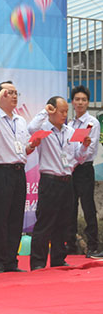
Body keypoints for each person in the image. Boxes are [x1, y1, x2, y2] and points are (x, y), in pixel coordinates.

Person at [27, 96, 91, 270]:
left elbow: (79, 157)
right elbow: (31, 129)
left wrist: (84, 146)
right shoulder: (43, 129)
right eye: (61, 111)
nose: (64, 114)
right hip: (50, 180)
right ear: (52, 110)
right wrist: (44, 111)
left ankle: (58, 258)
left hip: (67, 181)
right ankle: (38, 262)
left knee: (63, 222)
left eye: (66, 111)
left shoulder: (70, 131)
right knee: (45, 222)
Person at [0, 81, 40, 273]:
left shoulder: (20, 120)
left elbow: (23, 149)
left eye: (16, 93)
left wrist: (32, 146)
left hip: (18, 172)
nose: (15, 96)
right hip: (0, 172)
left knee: (15, 219)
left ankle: (11, 261)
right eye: (9, 93)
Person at [66, 85, 100, 257]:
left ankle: (94, 246)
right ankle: (71, 245)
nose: (80, 103)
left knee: (88, 207)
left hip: (84, 169)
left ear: (88, 103)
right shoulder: (70, 124)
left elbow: (89, 149)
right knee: (70, 207)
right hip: (70, 170)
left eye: (83, 100)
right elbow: (68, 148)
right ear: (72, 102)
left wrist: (74, 162)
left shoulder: (92, 123)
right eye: (77, 99)